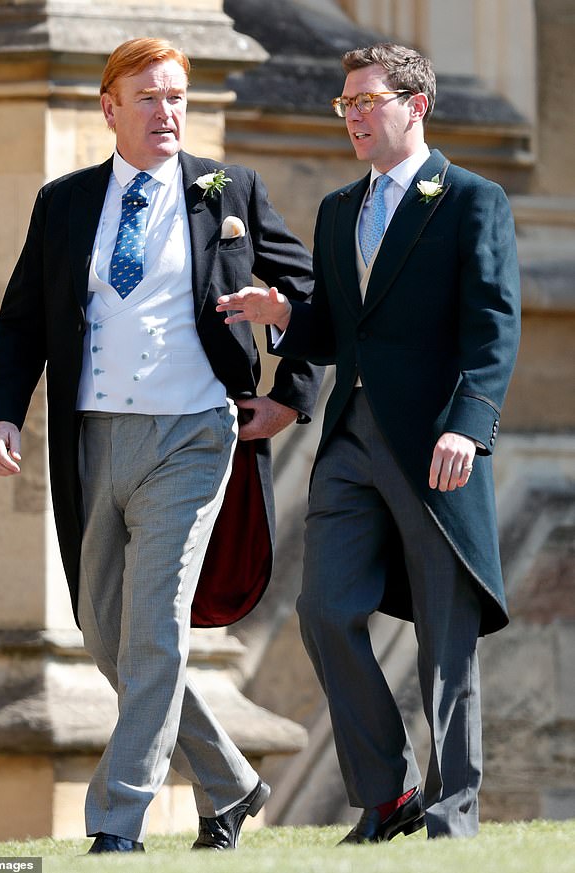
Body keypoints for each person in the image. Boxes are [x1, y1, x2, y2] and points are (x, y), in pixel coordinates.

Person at [0, 37, 322, 853]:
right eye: (149, 98)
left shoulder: (227, 190)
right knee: (106, 633)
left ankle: (117, 820)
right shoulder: (64, 202)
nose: (167, 112)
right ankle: (233, 784)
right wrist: (0, 413)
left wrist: (290, 394)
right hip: (93, 439)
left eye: (176, 96)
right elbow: (21, 319)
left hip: (196, 434)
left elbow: (308, 294)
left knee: (156, 624)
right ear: (110, 109)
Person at [217, 42, 521, 841]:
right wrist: (281, 316)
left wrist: (469, 422)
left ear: (414, 105)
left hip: (433, 445)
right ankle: (388, 792)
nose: (352, 116)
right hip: (348, 442)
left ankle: (453, 814)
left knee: (445, 637)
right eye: (343, 105)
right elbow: (336, 332)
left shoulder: (471, 198)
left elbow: (493, 324)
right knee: (323, 609)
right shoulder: (336, 210)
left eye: (365, 101)